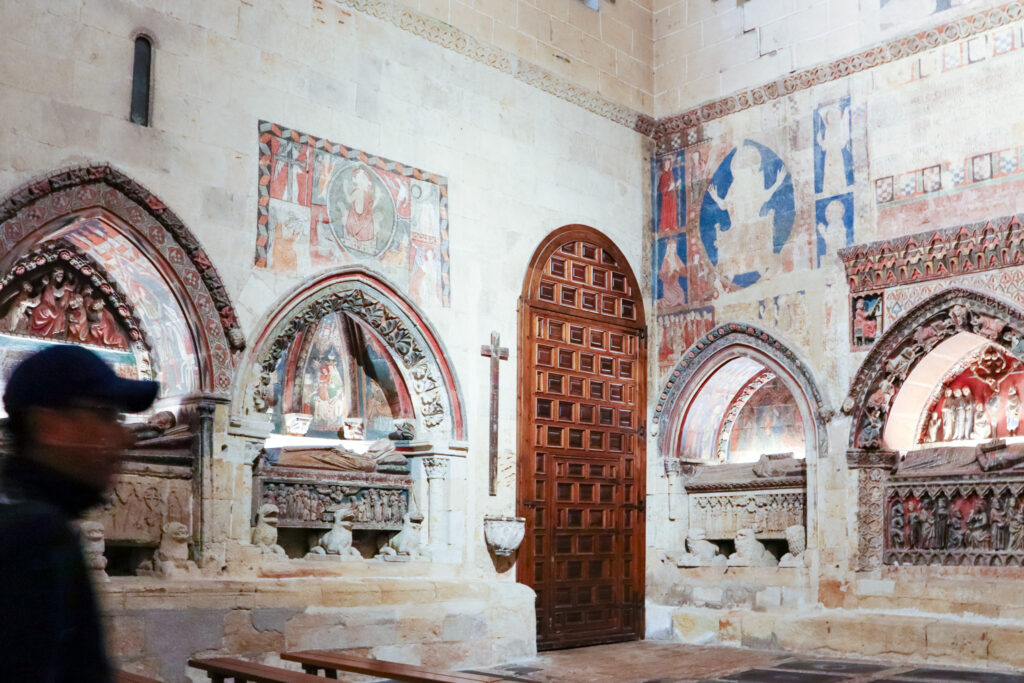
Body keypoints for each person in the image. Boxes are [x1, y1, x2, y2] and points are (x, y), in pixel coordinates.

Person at [0, 345, 158, 682]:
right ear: (49, 426)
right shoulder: (35, 536)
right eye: (105, 415)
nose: (125, 439)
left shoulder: (20, 511)